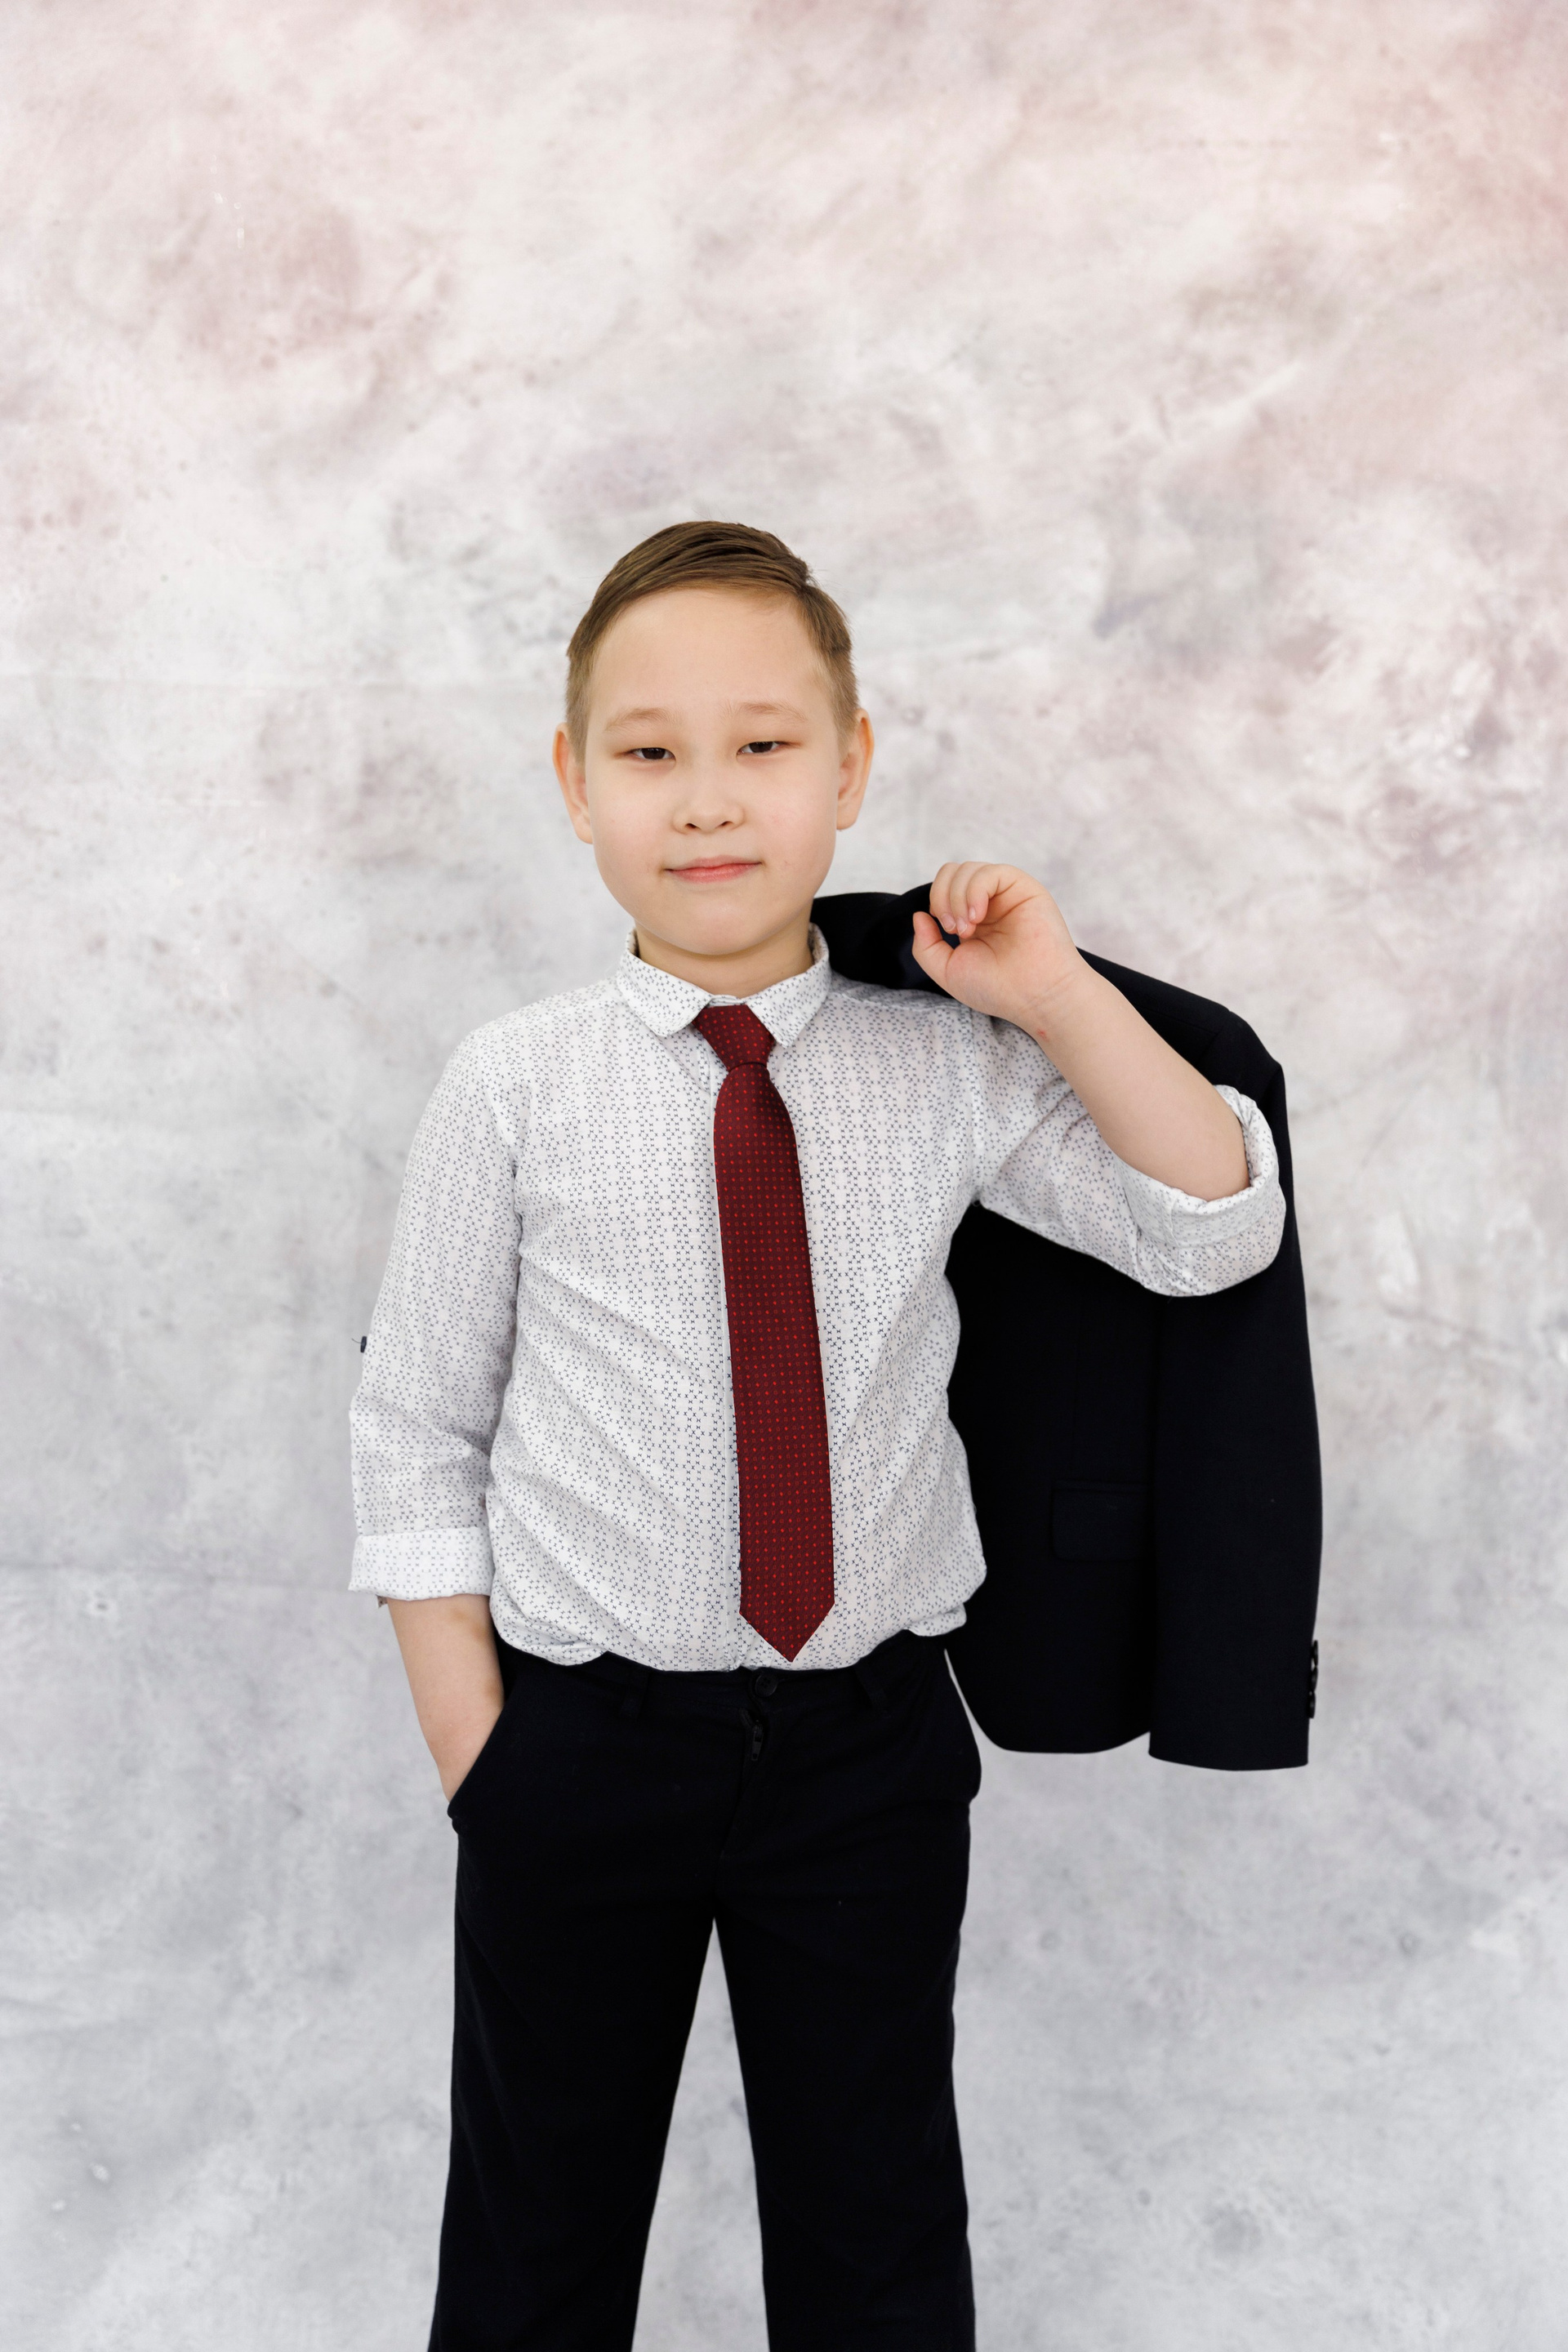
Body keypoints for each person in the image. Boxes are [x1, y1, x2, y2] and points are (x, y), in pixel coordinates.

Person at [349, 521, 1285, 2351]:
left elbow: (1212, 1229)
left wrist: (1054, 994)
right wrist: (487, 1761)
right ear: (575, 784)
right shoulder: (516, 1082)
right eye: (650, 751)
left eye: (764, 745)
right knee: (537, 2250)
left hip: (865, 1752)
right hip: (581, 1744)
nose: (709, 798)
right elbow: (417, 1423)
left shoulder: (942, 1060)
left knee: (878, 2249)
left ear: (850, 769)